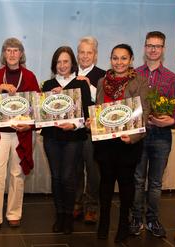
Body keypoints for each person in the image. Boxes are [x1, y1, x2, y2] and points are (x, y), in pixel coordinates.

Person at [91, 44, 151, 243]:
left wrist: (132, 137)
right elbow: (99, 110)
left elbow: (144, 113)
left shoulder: (140, 82)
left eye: (124, 58)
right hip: (105, 143)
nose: (119, 62)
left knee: (126, 184)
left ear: (131, 59)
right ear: (110, 60)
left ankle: (124, 225)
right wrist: (92, 124)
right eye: (115, 58)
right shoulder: (102, 81)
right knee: (106, 183)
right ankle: (104, 223)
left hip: (127, 143)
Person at [0, 37, 39, 231]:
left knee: (17, 174)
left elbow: (36, 107)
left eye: (16, 50)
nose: (12, 54)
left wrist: (28, 125)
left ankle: (14, 213)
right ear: (4, 54)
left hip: (21, 134)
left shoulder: (29, 76)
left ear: (21, 54)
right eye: (8, 50)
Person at [130, 31, 175, 238]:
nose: (153, 49)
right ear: (144, 47)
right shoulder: (134, 74)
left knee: (156, 182)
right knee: (138, 179)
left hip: (161, 136)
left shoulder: (171, 78)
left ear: (163, 49)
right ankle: (135, 218)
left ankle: (152, 219)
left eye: (157, 46)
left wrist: (171, 120)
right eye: (150, 45)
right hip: (139, 135)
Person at [41, 46, 92, 234]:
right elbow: (42, 114)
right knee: (55, 177)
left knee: (68, 177)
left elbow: (87, 113)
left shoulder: (81, 84)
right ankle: (60, 214)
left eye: (66, 62)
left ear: (72, 63)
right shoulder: (47, 85)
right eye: (59, 62)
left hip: (73, 137)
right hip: (52, 137)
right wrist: (50, 98)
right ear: (54, 64)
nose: (62, 65)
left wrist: (74, 125)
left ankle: (69, 216)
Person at [74, 36, 105, 224]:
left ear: (95, 55)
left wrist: (88, 86)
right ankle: (77, 203)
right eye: (82, 52)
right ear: (77, 54)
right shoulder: (68, 72)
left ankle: (92, 206)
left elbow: (104, 101)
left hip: (93, 132)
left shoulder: (103, 75)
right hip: (73, 132)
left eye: (89, 52)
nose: (85, 56)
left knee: (94, 171)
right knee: (75, 169)